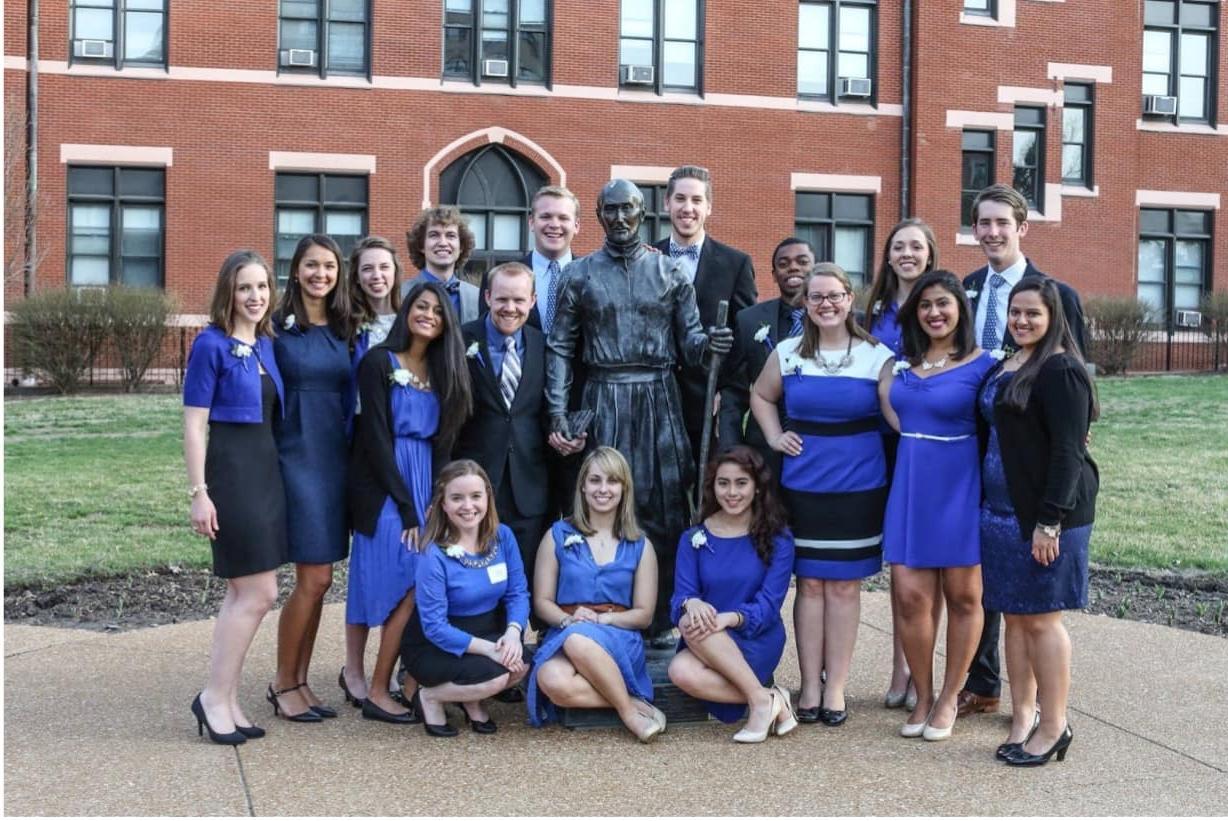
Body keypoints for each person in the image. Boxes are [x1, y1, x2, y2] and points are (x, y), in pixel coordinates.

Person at [545, 178, 734, 645]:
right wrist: (558, 414)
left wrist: (709, 344)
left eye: (629, 210)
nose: (621, 219)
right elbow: (559, 349)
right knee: (601, 504)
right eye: (611, 210)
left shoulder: (670, 273)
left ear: (644, 213)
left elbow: (689, 344)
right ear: (599, 215)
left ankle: (664, 618)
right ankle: (605, 610)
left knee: (665, 506)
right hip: (603, 397)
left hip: (658, 399)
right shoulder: (579, 275)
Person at [958, 183, 1088, 720]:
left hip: (1036, 467)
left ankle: (1045, 713)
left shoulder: (1058, 296)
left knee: (1033, 605)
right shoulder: (965, 289)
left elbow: (1074, 386)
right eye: (982, 223)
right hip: (984, 457)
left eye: (1000, 224)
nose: (991, 233)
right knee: (996, 590)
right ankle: (988, 684)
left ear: (1021, 229)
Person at [750, 263, 895, 727]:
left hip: (859, 488)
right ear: (805, 303)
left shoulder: (877, 356)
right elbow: (760, 396)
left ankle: (836, 687)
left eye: (835, 295)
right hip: (803, 487)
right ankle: (809, 683)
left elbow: (900, 417)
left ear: (850, 299)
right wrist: (774, 436)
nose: (826, 304)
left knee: (844, 587)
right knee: (809, 584)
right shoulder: (788, 353)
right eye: (817, 297)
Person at [979, 277, 1098, 766]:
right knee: (1015, 616)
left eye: (1033, 313)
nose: (1022, 320)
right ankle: (1024, 716)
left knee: (1043, 620)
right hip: (999, 513)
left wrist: (1048, 522)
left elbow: (1069, 452)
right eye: (1015, 312)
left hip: (1046, 516)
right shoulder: (1008, 364)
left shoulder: (1061, 369)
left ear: (1053, 318)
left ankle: (1055, 725)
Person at [345, 280, 472, 724]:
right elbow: (376, 440)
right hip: (386, 490)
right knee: (395, 584)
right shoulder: (379, 362)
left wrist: (438, 505)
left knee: (421, 587)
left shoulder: (443, 373)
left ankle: (403, 680)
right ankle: (375, 688)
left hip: (426, 491)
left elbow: (443, 446)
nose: (429, 316)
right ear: (407, 311)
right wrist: (405, 507)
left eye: (438, 312)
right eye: (422, 307)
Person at [879, 269, 997, 741]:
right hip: (911, 486)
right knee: (910, 597)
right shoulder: (900, 363)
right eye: (926, 305)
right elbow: (890, 409)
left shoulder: (983, 364)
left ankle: (950, 697)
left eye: (943, 304)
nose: (934, 312)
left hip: (960, 486)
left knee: (964, 596)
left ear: (960, 310)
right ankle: (923, 695)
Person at [183, 250, 287, 745]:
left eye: (262, 287)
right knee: (258, 593)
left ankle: (225, 698)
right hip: (231, 474)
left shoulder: (266, 343)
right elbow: (194, 424)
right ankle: (212, 696)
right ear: (229, 291)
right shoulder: (210, 345)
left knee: (243, 593)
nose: (255, 296)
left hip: (265, 473)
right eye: (245, 287)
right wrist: (200, 493)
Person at [267, 234, 354, 723]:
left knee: (323, 581)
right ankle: (282, 681)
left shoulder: (345, 329)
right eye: (311, 266)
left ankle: (300, 680)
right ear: (295, 270)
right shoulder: (276, 328)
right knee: (312, 577)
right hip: (295, 458)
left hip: (334, 460)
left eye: (329, 266)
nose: (320, 274)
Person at [526, 447, 665, 742]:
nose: (603, 489)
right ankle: (631, 704)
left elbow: (643, 614)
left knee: (580, 638)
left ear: (624, 488)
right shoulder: (557, 536)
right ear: (583, 486)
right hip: (565, 630)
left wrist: (599, 622)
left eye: (612, 481)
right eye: (595, 480)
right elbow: (542, 602)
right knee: (550, 678)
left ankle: (629, 717)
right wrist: (567, 620)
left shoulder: (640, 545)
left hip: (617, 635)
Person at [861, 218, 940, 712]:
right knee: (900, 560)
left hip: (931, 444)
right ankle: (900, 664)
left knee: (927, 561)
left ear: (930, 254)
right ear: (887, 256)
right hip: (883, 439)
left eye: (916, 246)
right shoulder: (874, 310)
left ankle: (923, 668)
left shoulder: (940, 305)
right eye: (898, 247)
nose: (907, 254)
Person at [668, 447, 797, 743]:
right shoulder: (694, 538)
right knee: (679, 669)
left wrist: (732, 618)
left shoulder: (779, 538)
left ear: (757, 486)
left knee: (695, 626)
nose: (732, 492)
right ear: (713, 487)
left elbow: (769, 605)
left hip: (755, 636)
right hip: (707, 639)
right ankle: (766, 697)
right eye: (723, 483)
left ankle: (760, 704)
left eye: (741, 483)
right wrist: (692, 602)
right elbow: (680, 596)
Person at [401, 460, 531, 737]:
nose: (468, 506)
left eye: (475, 496)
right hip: (437, 643)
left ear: (487, 498)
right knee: (497, 677)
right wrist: (489, 649)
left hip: (489, 629)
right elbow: (434, 627)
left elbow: (517, 592)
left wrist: (512, 633)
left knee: (525, 665)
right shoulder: (432, 554)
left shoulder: (503, 536)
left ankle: (470, 698)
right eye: (457, 498)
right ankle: (431, 697)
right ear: (443, 504)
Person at [454, 262, 552, 614]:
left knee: (522, 572)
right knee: (475, 567)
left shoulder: (543, 345)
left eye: (519, 300)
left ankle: (516, 642)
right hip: (476, 475)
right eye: (502, 299)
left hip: (529, 477)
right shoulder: (461, 340)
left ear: (532, 301)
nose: (510, 308)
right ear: (487, 298)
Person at [340, 235, 405, 708]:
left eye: (384, 267)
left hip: (410, 448)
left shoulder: (412, 320)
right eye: (367, 269)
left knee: (410, 567)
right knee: (366, 565)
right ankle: (352, 668)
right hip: (365, 449)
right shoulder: (346, 327)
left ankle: (400, 665)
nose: (376, 275)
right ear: (356, 275)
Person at [652, 165, 757, 458]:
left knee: (707, 493)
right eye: (680, 199)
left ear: (708, 207)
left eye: (697, 200)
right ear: (666, 203)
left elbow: (744, 334)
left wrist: (729, 391)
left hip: (711, 400)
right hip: (658, 397)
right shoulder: (647, 259)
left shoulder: (736, 263)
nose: (688, 208)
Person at [718, 237, 815, 481]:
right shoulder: (749, 320)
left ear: (816, 268)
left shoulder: (836, 319)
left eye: (802, 262)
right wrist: (732, 450)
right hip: (763, 451)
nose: (793, 268)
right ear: (773, 275)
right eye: (784, 263)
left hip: (818, 445)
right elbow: (734, 390)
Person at [479, 185, 580, 335]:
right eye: (545, 217)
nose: (554, 224)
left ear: (576, 225)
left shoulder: (594, 277)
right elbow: (485, 337)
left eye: (563, 218)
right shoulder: (495, 278)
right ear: (531, 222)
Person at [402, 206, 480, 323]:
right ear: (421, 246)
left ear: (461, 247)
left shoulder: (477, 297)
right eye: (434, 235)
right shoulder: (401, 295)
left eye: (450, 235)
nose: (443, 243)